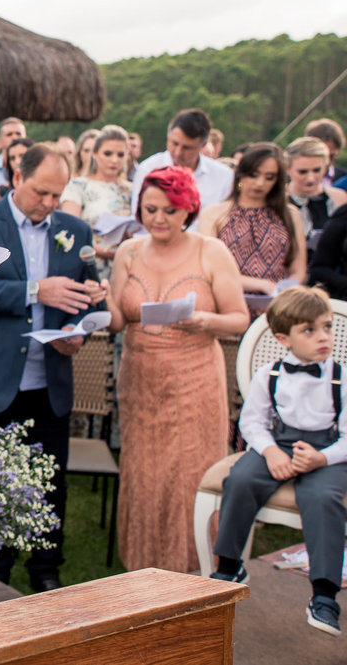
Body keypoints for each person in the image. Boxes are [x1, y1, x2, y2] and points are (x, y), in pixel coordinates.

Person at [0, 143, 106, 592]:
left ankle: (45, 570)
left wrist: (79, 328)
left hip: (48, 381)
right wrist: (36, 290)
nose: (50, 203)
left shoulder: (76, 230)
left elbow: (90, 296)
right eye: (42, 192)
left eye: (58, 195)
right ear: (18, 178)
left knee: (49, 482)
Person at [107, 166, 249, 573]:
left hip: (194, 378)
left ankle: (195, 568)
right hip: (140, 378)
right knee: (144, 473)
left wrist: (205, 321)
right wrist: (103, 301)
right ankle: (143, 568)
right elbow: (118, 321)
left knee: (190, 473)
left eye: (170, 210)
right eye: (150, 209)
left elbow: (239, 318)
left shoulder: (211, 251)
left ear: (189, 208)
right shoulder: (128, 251)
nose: (158, 219)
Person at [211, 286, 346, 636]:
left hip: (327, 451)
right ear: (283, 339)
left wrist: (321, 458)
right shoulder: (269, 374)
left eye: (327, 327)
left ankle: (324, 594)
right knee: (241, 480)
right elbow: (252, 423)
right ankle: (229, 566)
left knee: (322, 497)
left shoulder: (341, 378)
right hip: (277, 443)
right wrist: (270, 452)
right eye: (309, 330)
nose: (323, 337)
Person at [197, 143, 305, 305]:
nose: (260, 183)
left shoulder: (290, 214)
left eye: (269, 177)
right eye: (254, 175)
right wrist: (261, 285)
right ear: (242, 173)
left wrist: (284, 292)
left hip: (279, 304)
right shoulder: (214, 213)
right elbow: (208, 267)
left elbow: (298, 269)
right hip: (228, 301)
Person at [60, 125, 133, 280]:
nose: (114, 160)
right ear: (95, 153)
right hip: (90, 269)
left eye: (120, 154)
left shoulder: (131, 190)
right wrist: (105, 252)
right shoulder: (78, 186)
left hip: (128, 269)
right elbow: (69, 232)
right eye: (108, 153)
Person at [131, 108, 233, 215]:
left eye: (187, 148)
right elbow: (137, 217)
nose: (178, 152)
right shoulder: (148, 169)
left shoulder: (223, 177)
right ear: (168, 136)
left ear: (203, 146)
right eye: (174, 143)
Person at [287, 136, 347, 252]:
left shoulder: (340, 199)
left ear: (325, 167)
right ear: (288, 169)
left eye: (316, 170)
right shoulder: (278, 200)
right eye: (302, 172)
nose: (310, 178)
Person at [306, 119, 346, 188]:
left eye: (331, 156)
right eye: (321, 157)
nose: (326, 162)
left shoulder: (344, 179)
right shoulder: (291, 181)